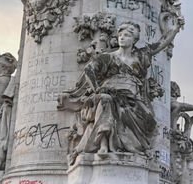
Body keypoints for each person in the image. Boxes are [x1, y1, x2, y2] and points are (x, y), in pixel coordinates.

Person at [59, 16, 182, 160]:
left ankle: (131, 147)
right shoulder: (107, 57)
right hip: (109, 93)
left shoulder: (140, 56)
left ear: (134, 40)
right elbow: (89, 70)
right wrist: (98, 89)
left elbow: (160, 45)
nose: (122, 38)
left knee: (147, 118)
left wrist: (173, 30)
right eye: (121, 35)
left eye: (127, 35)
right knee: (106, 101)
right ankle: (103, 143)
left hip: (132, 98)